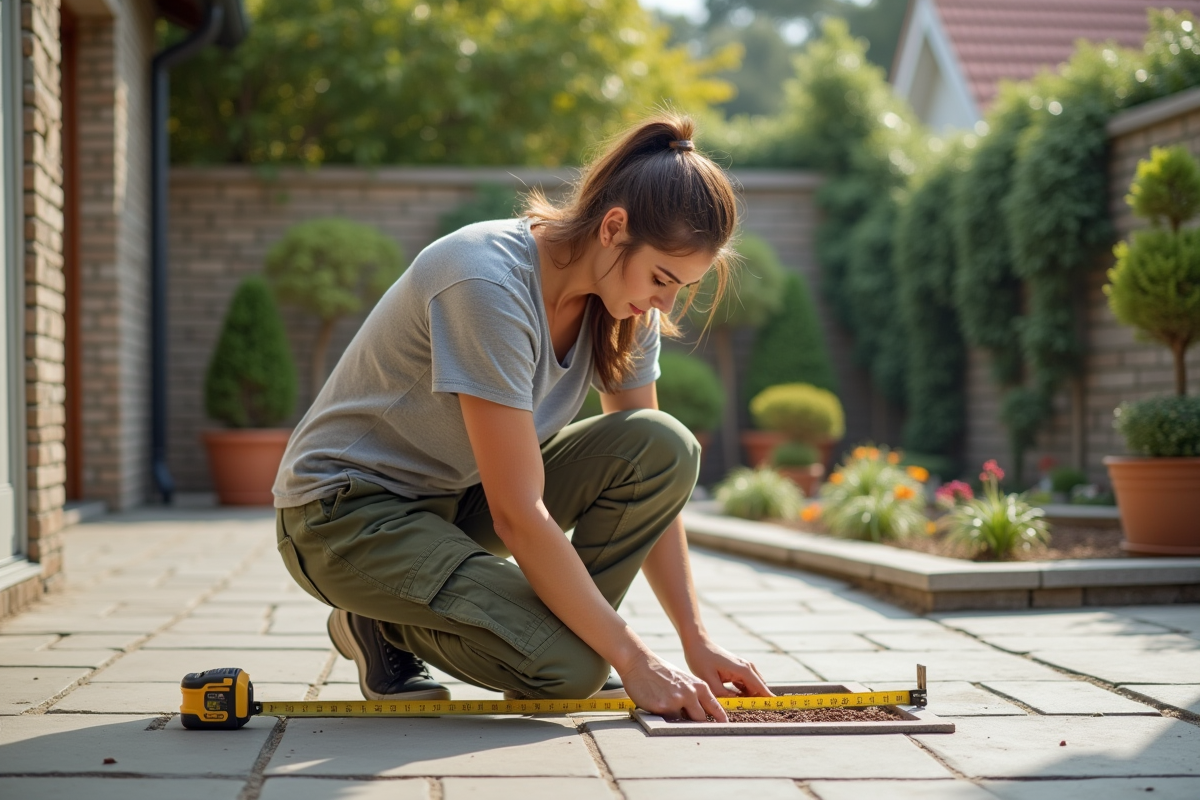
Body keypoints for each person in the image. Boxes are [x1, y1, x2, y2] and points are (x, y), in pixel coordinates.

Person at [272, 112, 771, 723]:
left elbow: (650, 471)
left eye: (682, 288)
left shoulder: (626, 306)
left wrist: (696, 640)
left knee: (662, 445)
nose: (664, 303)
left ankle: (554, 642)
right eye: (662, 278)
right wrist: (633, 658)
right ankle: (378, 621)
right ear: (614, 228)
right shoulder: (486, 280)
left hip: (454, 501)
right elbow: (516, 511)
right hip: (345, 515)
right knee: (574, 671)